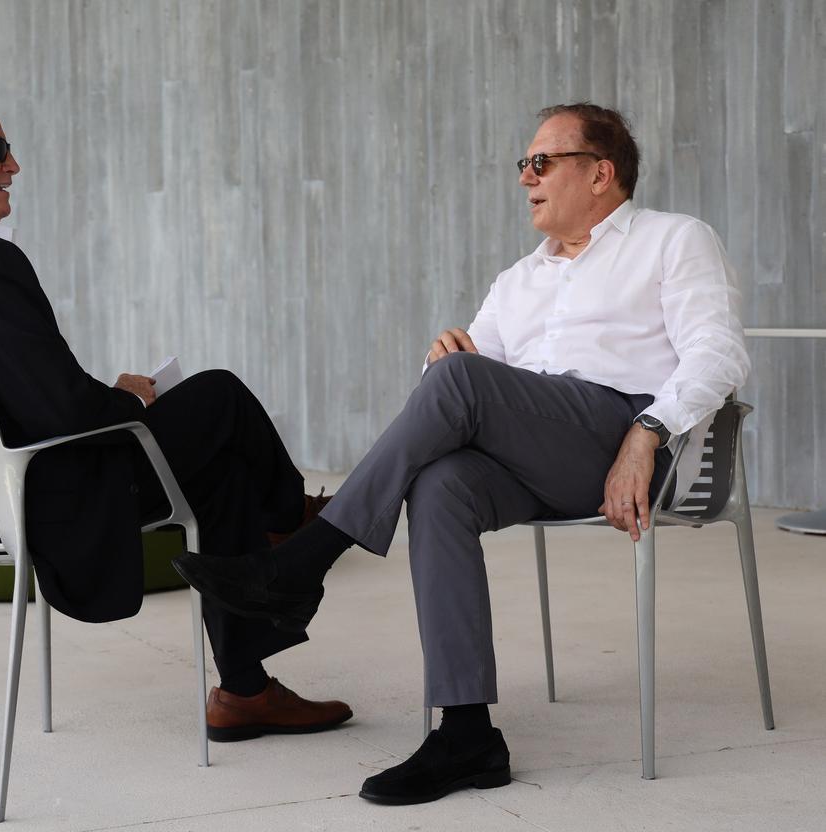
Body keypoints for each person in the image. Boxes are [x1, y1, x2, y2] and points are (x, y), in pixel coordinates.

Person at [174, 102, 750, 802]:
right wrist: (438, 361)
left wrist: (648, 431)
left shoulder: (673, 239)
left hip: (627, 439)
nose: (525, 177)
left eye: (542, 162)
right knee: (441, 482)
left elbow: (719, 353)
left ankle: (304, 559)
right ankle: (467, 732)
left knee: (461, 381)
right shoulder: (518, 280)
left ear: (600, 174)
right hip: (540, 458)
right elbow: (453, 399)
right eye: (523, 164)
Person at [0, 90, 352, 742]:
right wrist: (131, 398)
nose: (13, 165)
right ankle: (289, 523)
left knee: (221, 470)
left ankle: (246, 689)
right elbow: (64, 410)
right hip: (45, 499)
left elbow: (24, 395)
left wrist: (110, 397)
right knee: (218, 398)